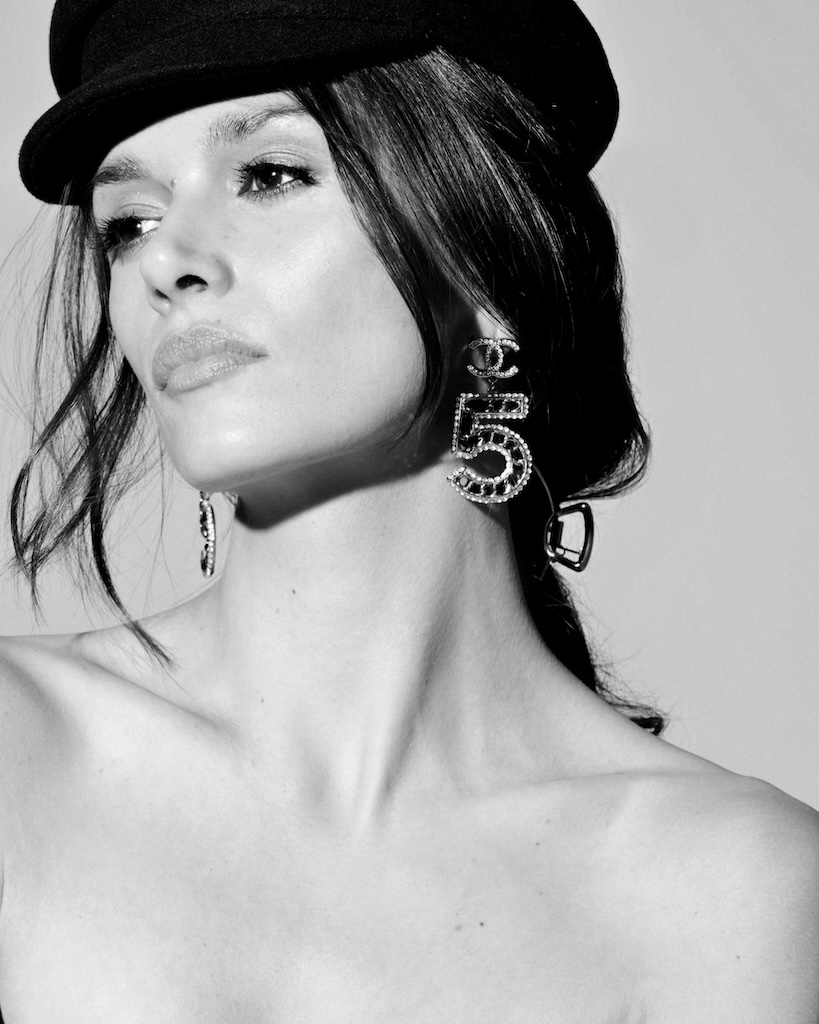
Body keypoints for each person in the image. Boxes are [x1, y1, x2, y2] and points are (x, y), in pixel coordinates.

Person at [1, 0, 817, 1020]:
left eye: (270, 174)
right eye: (129, 223)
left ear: (489, 250)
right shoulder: (19, 755)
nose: (166, 262)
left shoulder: (743, 896)